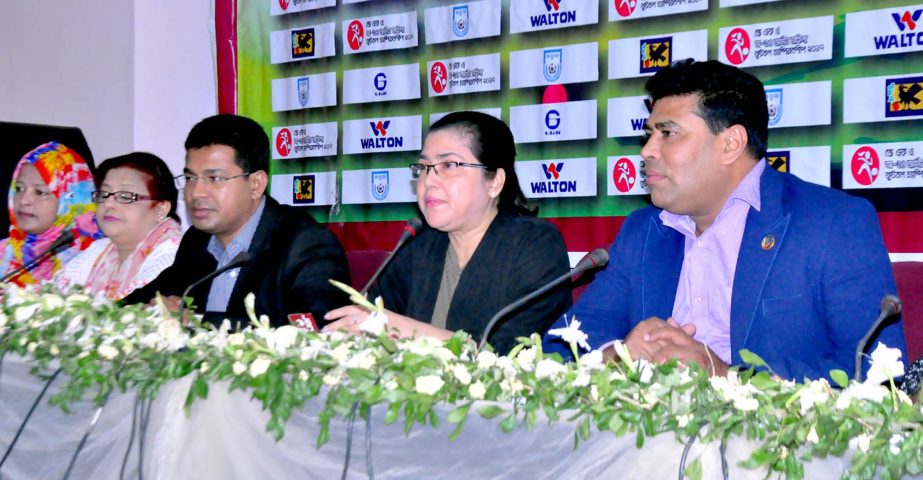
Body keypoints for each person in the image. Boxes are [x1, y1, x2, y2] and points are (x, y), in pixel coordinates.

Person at [543, 59, 906, 380]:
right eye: (648, 134)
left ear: (731, 144)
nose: (647, 151)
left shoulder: (832, 223)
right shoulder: (643, 232)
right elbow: (558, 349)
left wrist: (726, 376)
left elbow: (878, 374)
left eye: (667, 133)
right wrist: (619, 356)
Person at [324, 111, 572, 353]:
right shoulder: (417, 244)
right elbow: (374, 325)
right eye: (423, 167)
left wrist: (398, 329)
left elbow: (509, 354)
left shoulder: (535, 244)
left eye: (449, 165)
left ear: (494, 181)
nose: (428, 180)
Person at [122, 114, 350, 327]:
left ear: (255, 184)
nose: (196, 192)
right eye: (191, 178)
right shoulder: (197, 240)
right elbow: (147, 299)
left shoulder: (306, 245)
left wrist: (196, 322)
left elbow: (315, 330)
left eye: (215, 178)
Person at [56, 152, 183, 300]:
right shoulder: (98, 251)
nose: (108, 204)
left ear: (161, 209)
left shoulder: (173, 256)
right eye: (104, 194)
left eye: (125, 196)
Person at [0, 142, 101, 286]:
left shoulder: (94, 260)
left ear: (70, 199)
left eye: (40, 192)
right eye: (19, 188)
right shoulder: (4, 252)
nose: (23, 200)